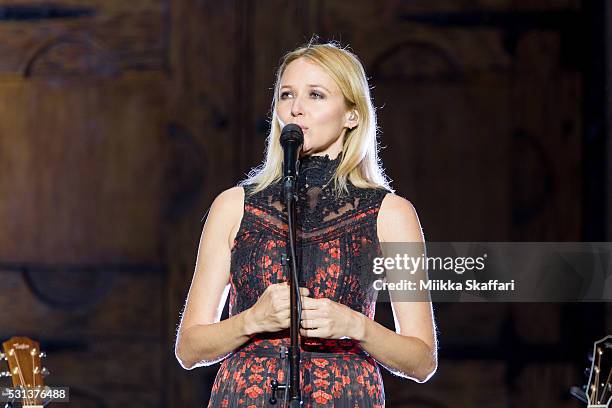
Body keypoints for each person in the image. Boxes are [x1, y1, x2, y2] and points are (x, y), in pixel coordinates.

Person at [174, 39, 438, 407]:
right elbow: (189, 348)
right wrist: (250, 320)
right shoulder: (234, 206)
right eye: (285, 95)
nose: (295, 108)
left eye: (315, 95)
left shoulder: (391, 213)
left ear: (352, 115)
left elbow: (422, 360)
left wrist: (356, 327)